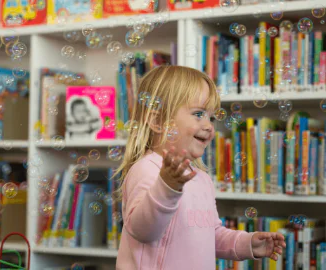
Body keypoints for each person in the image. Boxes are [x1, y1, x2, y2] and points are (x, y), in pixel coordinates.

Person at [114, 66, 286, 270]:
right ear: (157, 121)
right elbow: (144, 231)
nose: (209, 126)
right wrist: (167, 187)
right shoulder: (147, 169)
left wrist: (247, 243)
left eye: (210, 117)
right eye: (198, 114)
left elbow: (211, 234)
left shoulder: (201, 178)